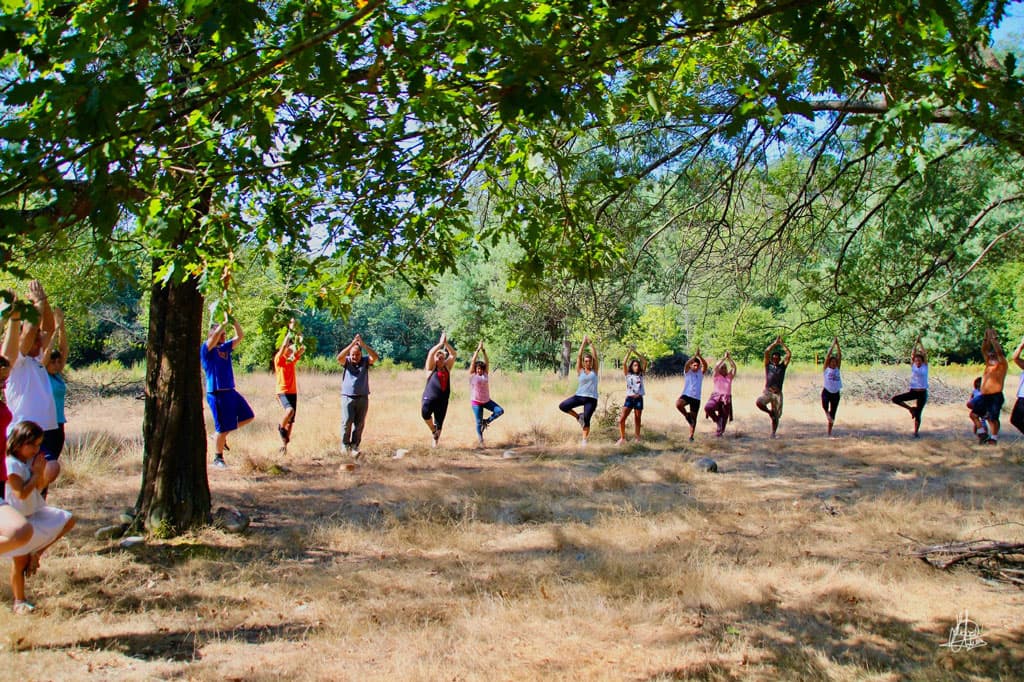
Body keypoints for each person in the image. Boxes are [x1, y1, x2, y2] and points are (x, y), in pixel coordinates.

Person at [3, 420, 75, 615]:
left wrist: (40, 474)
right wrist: (35, 474)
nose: (36, 449)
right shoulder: (11, 464)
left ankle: (36, 553)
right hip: (18, 518)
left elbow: (39, 488)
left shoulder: (28, 462)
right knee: (19, 563)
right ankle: (19, 601)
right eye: (33, 445)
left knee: (67, 520)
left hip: (33, 512)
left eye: (38, 445)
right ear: (19, 443)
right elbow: (20, 493)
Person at [4, 282, 60, 491]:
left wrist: (44, 302)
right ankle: (26, 499)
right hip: (24, 430)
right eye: (36, 339)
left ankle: (33, 500)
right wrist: (37, 304)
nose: (39, 341)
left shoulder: (36, 359)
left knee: (43, 475)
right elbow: (29, 332)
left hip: (46, 428)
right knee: (48, 469)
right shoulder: (16, 361)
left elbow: (48, 329)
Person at [200, 316, 254, 468]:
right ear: (213, 334)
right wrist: (223, 324)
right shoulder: (206, 349)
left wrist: (233, 321)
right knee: (221, 428)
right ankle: (218, 458)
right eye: (221, 334)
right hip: (216, 393)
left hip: (230, 391)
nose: (224, 336)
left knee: (248, 416)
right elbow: (214, 337)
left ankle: (219, 436)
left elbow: (240, 336)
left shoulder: (225, 348)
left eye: (224, 334)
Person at [337, 334, 378, 457]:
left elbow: (375, 357)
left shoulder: (365, 361)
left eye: (357, 354)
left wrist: (363, 345)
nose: (355, 357)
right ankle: (345, 445)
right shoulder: (347, 361)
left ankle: (355, 445)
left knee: (359, 423)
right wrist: (352, 344)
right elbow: (339, 358)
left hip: (363, 397)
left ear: (361, 354)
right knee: (347, 422)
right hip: (348, 396)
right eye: (353, 354)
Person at [42, 307, 69, 488]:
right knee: (43, 468)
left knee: (49, 474)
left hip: (58, 425)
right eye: (53, 361)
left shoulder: (57, 376)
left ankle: (41, 499)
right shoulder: (41, 374)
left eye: (59, 361)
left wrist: (62, 326)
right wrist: (55, 328)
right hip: (44, 426)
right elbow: (47, 352)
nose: (57, 364)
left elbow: (63, 349)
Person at [559, 336, 600, 445]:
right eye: (586, 361)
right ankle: (578, 417)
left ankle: (584, 440)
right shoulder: (580, 370)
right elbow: (578, 355)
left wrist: (591, 344)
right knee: (563, 406)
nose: (588, 363)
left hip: (591, 399)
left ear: (591, 362)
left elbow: (595, 356)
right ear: (583, 362)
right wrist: (583, 342)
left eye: (589, 361)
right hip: (579, 396)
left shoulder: (595, 371)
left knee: (587, 419)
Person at [274, 319, 305, 448]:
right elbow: (283, 347)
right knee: (289, 411)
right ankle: (281, 428)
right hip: (282, 391)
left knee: (291, 421)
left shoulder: (291, 359)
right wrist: (290, 331)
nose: (291, 350)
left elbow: (302, 348)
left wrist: (299, 334)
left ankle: (284, 446)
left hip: (293, 391)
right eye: (289, 348)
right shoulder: (279, 359)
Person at [973, 328, 1008, 445]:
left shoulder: (1002, 364)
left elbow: (999, 352)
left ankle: (993, 438)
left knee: (993, 418)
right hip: (984, 396)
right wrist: (986, 338)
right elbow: (984, 349)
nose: (991, 356)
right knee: (973, 415)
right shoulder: (988, 364)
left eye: (993, 355)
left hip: (995, 396)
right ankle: (982, 434)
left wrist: (993, 339)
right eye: (990, 355)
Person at [422, 332, 456, 448]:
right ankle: (433, 430)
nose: (440, 359)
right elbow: (431, 353)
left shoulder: (447, 367)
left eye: (442, 358)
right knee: (425, 413)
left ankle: (435, 443)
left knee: (439, 421)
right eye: (438, 357)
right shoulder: (430, 368)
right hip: (429, 398)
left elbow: (453, 354)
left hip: (443, 399)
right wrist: (440, 344)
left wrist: (446, 344)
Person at [468, 341, 504, 447]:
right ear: (475, 369)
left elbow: (487, 362)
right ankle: (481, 441)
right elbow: (473, 361)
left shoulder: (485, 374)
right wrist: (477, 350)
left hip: (487, 400)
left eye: (481, 369)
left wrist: (483, 351)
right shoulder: (472, 375)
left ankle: (487, 421)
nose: (479, 370)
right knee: (478, 422)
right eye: (478, 368)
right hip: (476, 402)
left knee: (500, 411)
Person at [755, 336, 791, 438]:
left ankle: (773, 433)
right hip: (768, 391)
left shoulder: (782, 366)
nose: (775, 359)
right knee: (759, 402)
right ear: (772, 358)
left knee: (776, 416)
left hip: (777, 393)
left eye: (777, 358)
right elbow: (766, 352)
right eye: (774, 358)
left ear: (779, 359)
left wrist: (782, 344)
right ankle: (769, 412)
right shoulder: (768, 365)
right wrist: (775, 343)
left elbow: (789, 354)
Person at [891, 338, 928, 437]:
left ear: (922, 361)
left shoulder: (925, 366)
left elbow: (925, 354)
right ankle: (910, 409)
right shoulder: (913, 366)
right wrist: (915, 343)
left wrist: (921, 343)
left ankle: (916, 432)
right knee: (895, 399)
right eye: (916, 360)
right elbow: (912, 354)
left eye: (919, 360)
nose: (917, 362)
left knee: (919, 413)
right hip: (913, 392)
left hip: (922, 393)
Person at [617, 346, 647, 445]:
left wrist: (636, 352)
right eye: (634, 365)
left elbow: (645, 362)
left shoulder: (641, 375)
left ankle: (637, 438)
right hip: (629, 399)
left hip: (638, 399)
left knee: (637, 419)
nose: (636, 367)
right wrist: (630, 351)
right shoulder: (628, 375)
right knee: (622, 419)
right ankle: (622, 438)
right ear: (631, 367)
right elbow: (624, 363)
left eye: (637, 365)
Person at [676, 349, 707, 441]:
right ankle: (686, 415)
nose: (696, 367)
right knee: (678, 404)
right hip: (687, 395)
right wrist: (694, 356)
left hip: (696, 398)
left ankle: (691, 436)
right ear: (691, 365)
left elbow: (705, 365)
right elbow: (686, 364)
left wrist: (699, 356)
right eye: (694, 365)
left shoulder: (700, 373)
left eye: (697, 365)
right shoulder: (688, 372)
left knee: (694, 418)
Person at [704, 352, 736, 437]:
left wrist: (729, 359)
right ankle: (717, 420)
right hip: (716, 397)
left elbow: (734, 367)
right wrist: (724, 358)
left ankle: (719, 434)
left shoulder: (729, 377)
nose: (723, 369)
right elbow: (716, 366)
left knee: (723, 423)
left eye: (725, 368)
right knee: (708, 407)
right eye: (722, 368)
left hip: (726, 400)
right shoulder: (717, 376)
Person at [821, 337, 842, 438]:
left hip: (836, 393)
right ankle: (827, 414)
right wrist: (833, 344)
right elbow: (828, 356)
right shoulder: (826, 369)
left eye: (835, 362)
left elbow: (840, 355)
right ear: (829, 363)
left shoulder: (837, 369)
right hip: (827, 392)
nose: (833, 363)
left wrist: (838, 345)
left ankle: (829, 433)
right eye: (832, 362)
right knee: (825, 406)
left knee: (833, 413)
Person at [967, 377, 988, 443]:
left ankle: (983, 435)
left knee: (981, 422)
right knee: (978, 422)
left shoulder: (984, 392)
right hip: (977, 407)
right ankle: (981, 435)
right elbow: (971, 399)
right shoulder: (975, 391)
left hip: (982, 409)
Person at [1010, 335, 1024, 436]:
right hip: (1022, 396)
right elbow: (1015, 358)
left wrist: (1022, 345)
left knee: (1016, 419)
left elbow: (1015, 358)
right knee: (1015, 420)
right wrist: (1021, 345)